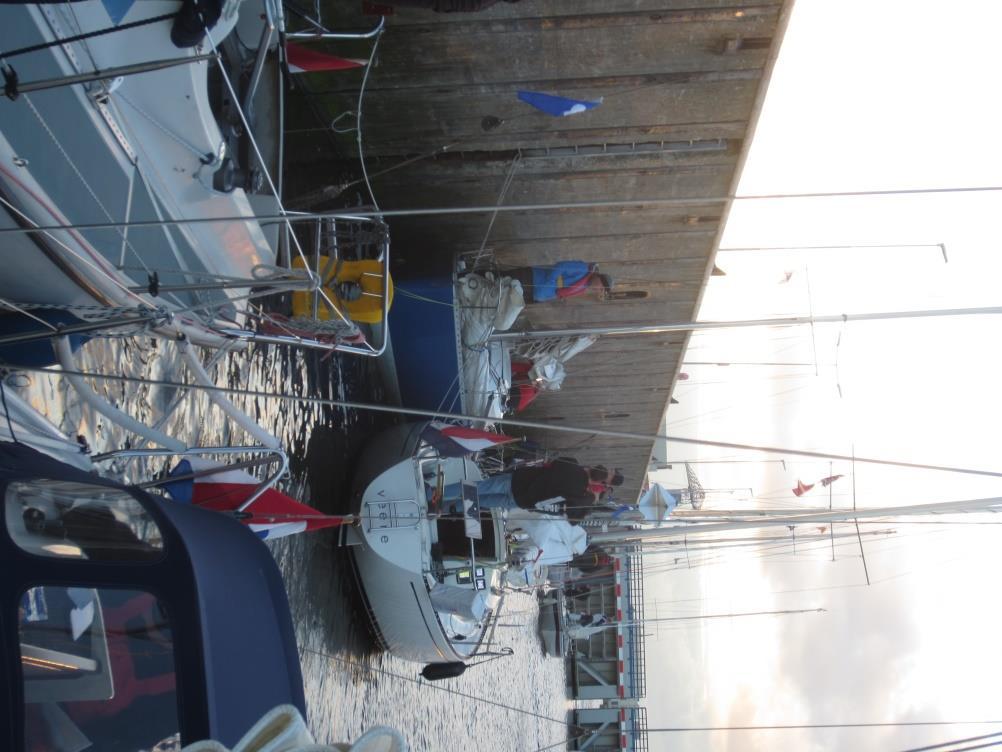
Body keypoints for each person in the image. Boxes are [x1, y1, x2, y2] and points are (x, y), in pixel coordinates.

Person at [439, 458, 624, 521]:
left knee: (476, 488)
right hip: (521, 500)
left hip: (518, 481)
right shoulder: (578, 493)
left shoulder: (571, 464)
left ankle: (437, 493)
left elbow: (549, 464)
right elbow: (564, 506)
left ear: (590, 467)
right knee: (477, 502)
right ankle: (443, 508)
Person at [504, 261, 613, 303]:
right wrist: (549, 281)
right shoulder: (583, 269)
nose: (598, 290)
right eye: (601, 287)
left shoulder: (583, 287)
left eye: (601, 291)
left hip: (532, 295)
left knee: (502, 296)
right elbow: (562, 266)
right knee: (499, 279)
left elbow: (561, 291)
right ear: (599, 278)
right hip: (532, 278)